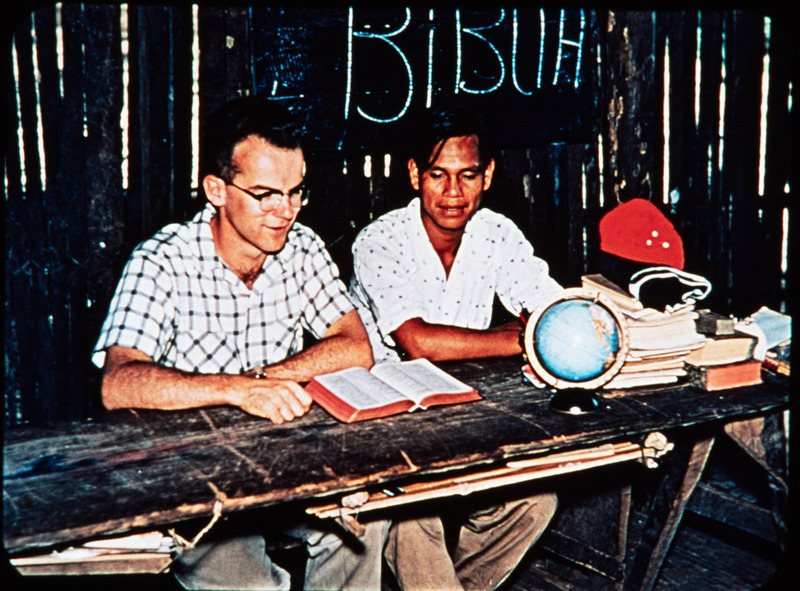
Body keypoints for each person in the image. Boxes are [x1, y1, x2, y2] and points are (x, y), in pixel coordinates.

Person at [92, 96, 387, 590]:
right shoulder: (162, 261)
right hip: (195, 475)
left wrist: (263, 381)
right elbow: (117, 383)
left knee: (368, 519)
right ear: (217, 190)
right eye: (265, 194)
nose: (285, 211)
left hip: (286, 458)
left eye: (295, 192)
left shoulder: (303, 247)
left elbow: (356, 347)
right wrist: (237, 390)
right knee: (252, 586)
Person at [350, 105, 563, 591]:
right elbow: (418, 342)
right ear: (414, 175)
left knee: (534, 501)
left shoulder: (497, 233)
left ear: (487, 175)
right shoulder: (379, 241)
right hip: (387, 424)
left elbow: (551, 309)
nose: (453, 192)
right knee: (411, 515)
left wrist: (549, 324)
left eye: (467, 174)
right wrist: (520, 337)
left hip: (467, 417)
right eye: (437, 174)